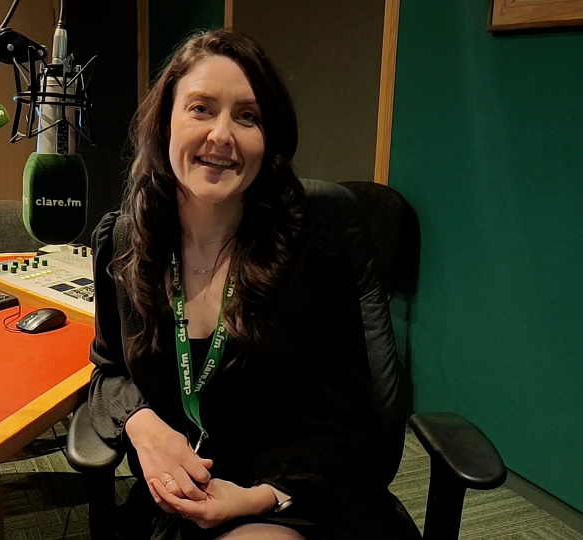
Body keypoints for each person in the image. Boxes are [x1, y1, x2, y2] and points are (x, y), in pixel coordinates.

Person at [88, 29, 419, 539]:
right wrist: (141, 424)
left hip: (293, 493)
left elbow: (348, 418)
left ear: (269, 140)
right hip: (179, 498)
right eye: (201, 108)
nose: (222, 134)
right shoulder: (127, 243)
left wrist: (258, 497)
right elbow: (109, 371)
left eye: (247, 116)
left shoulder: (309, 248)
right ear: (165, 122)